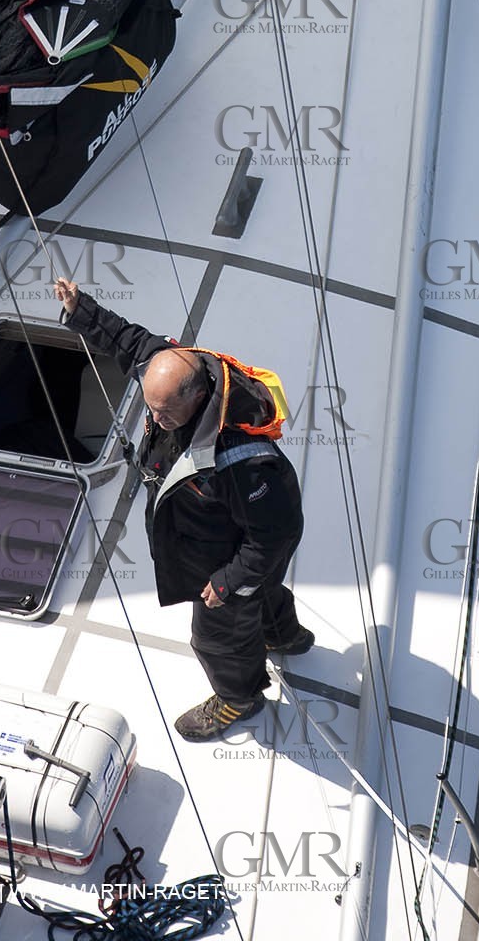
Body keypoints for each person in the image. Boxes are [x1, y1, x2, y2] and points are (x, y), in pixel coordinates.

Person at [53, 277, 313, 742]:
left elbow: (275, 535)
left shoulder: (246, 463)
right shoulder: (177, 372)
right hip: (224, 539)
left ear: (197, 398)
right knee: (265, 589)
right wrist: (82, 309)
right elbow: (129, 342)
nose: (154, 421)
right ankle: (283, 634)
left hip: (223, 561)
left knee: (217, 637)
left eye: (165, 414)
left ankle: (239, 695)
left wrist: (227, 581)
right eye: (150, 410)